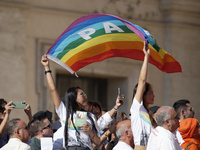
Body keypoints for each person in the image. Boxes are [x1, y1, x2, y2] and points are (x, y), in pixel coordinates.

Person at [41, 54, 124, 150]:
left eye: (85, 94)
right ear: (73, 98)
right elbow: (53, 89)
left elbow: (102, 124)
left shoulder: (89, 116)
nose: (86, 97)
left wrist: (116, 107)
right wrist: (47, 67)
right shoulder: (64, 112)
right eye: (82, 95)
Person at [130, 41, 157, 147]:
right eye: (151, 93)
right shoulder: (137, 107)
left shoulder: (149, 113)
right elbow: (142, 81)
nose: (153, 96)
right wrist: (146, 57)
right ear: (143, 94)